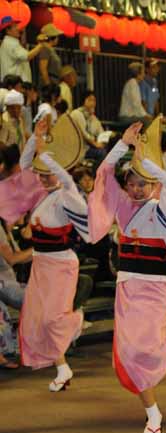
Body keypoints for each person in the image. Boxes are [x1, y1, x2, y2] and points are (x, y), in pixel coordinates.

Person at [88, 117, 166, 433]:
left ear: (154, 185)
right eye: (131, 183)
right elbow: (103, 174)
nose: (135, 189)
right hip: (126, 287)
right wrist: (122, 144)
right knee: (129, 353)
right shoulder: (121, 205)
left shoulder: (162, 209)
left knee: (142, 350)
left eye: (142, 185)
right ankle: (153, 411)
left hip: (155, 288)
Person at [0, 115, 90, 391]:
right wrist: (33, 139)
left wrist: (48, 158)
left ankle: (76, 320)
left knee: (52, 318)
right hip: (41, 264)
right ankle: (62, 368)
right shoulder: (41, 194)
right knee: (35, 319)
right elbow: (25, 168)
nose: (43, 177)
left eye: (49, 172)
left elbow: (61, 177)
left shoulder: (68, 195)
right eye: (42, 174)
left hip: (62, 265)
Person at [0, 218, 32, 309]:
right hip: (3, 282)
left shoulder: (5, 229)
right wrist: (40, 248)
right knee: (34, 301)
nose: (25, 215)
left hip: (9, 281)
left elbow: (19, 257)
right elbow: (11, 259)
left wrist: (44, 253)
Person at [0, 15, 43, 82]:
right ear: (7, 30)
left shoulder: (7, 42)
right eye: (15, 26)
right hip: (16, 84)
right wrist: (41, 45)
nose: (18, 28)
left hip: (12, 83)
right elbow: (27, 56)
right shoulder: (11, 43)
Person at [70, 90, 105, 161]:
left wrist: (102, 142)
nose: (92, 103)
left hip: (89, 147)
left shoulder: (93, 117)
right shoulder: (76, 113)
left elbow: (101, 132)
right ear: (83, 101)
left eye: (94, 100)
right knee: (101, 153)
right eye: (89, 100)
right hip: (79, 149)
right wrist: (96, 144)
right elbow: (84, 134)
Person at [119, 61, 152, 127]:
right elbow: (136, 104)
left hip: (129, 116)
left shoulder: (133, 83)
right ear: (138, 74)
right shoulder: (133, 83)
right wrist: (145, 115)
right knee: (147, 121)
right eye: (143, 73)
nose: (144, 75)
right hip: (126, 117)